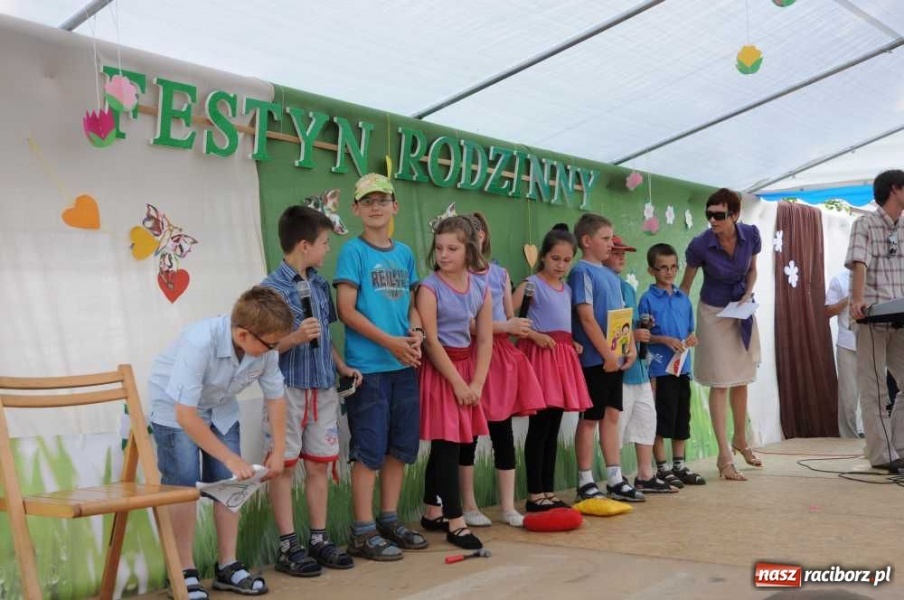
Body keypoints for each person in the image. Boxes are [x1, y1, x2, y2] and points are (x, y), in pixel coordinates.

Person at [148, 286, 292, 598]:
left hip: (220, 408)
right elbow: (186, 416)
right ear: (243, 336)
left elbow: (276, 397)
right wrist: (230, 458)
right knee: (183, 488)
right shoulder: (199, 341)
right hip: (174, 409)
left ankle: (228, 565)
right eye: (271, 344)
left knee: (231, 484)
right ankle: (183, 572)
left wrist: (279, 450)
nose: (274, 350)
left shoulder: (265, 346)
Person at [261, 205, 363, 576]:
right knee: (283, 468)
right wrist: (293, 337)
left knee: (319, 465)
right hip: (286, 390)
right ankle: (289, 545)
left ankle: (318, 539)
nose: (327, 250)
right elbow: (262, 347)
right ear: (304, 244)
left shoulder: (320, 284)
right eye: (323, 243)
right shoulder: (269, 289)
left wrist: (340, 366)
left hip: (321, 388)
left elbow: (325, 337)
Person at [334, 173, 428, 561]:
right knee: (368, 450)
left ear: (395, 207)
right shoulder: (352, 252)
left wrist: (417, 330)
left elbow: (411, 303)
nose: (376, 206)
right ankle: (362, 530)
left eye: (382, 199)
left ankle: (389, 519)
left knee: (400, 447)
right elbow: (346, 310)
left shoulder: (404, 253)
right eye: (367, 201)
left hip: (403, 365)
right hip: (368, 368)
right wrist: (389, 342)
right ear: (355, 209)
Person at [456, 212, 545, 529]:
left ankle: (508, 506)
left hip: (501, 359)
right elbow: (463, 323)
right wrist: (505, 325)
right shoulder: (454, 277)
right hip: (470, 357)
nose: (474, 236)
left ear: (484, 236)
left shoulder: (500, 274)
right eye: (467, 231)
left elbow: (510, 317)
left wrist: (528, 331)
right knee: (468, 435)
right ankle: (467, 504)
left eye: (478, 231)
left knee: (503, 433)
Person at [418, 216, 493, 550]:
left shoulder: (480, 286)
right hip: (441, 370)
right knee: (448, 443)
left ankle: (432, 510)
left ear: (469, 250)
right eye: (439, 248)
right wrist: (458, 384)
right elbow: (431, 342)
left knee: (454, 442)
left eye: (452, 248)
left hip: (467, 368)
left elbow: (486, 340)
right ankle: (455, 521)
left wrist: (476, 382)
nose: (444, 254)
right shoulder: (429, 287)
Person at [680, 188, 762, 482]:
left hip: (741, 308)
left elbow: (752, 270)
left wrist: (749, 293)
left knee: (741, 378)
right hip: (712, 313)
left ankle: (741, 438)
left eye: (719, 215)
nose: (713, 220)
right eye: (709, 214)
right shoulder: (700, 244)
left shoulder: (751, 234)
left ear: (735, 215)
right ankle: (724, 455)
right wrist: (681, 324)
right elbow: (685, 286)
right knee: (720, 381)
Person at [514, 224, 593, 511]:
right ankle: (534, 494)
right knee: (539, 427)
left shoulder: (568, 289)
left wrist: (573, 343)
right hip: (539, 358)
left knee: (553, 427)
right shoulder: (531, 284)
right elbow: (510, 319)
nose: (560, 265)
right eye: (555, 258)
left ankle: (547, 490)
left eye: (566, 260)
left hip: (561, 360)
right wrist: (535, 335)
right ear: (544, 257)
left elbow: (564, 323)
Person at [567, 214, 644, 502]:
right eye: (606, 238)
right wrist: (607, 355)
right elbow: (587, 318)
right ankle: (585, 480)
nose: (612, 244)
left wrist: (629, 350)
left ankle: (614, 476)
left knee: (612, 415)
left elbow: (620, 319)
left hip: (614, 359)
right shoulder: (581, 272)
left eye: (612, 238)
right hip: (594, 361)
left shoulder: (611, 276)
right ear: (587, 241)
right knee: (590, 418)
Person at [604, 237, 676, 494]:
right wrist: (632, 336)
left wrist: (642, 330)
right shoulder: (600, 284)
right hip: (617, 369)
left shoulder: (627, 288)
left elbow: (631, 323)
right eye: (616, 252)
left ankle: (645, 474)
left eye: (624, 253)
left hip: (639, 368)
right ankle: (616, 476)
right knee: (617, 424)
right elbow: (601, 327)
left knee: (646, 418)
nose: (622, 257)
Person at [846, 169, 904, 474]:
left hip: (900, 315)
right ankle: (882, 454)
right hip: (871, 315)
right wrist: (857, 300)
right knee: (875, 387)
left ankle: (900, 446)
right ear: (896, 189)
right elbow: (859, 262)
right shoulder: (865, 223)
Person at [640, 243, 705, 487]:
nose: (669, 272)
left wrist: (692, 338)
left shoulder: (683, 299)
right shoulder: (647, 299)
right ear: (651, 270)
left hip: (682, 368)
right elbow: (643, 333)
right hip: (659, 369)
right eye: (663, 268)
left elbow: (690, 331)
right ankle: (661, 467)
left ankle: (678, 465)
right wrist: (662, 339)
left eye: (673, 267)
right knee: (660, 417)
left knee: (681, 417)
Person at [824, 268, 863, 438]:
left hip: (873, 343)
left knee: (876, 395)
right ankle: (848, 440)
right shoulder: (838, 279)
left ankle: (874, 439)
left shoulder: (877, 277)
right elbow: (827, 311)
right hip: (847, 345)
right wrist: (848, 299)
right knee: (849, 399)